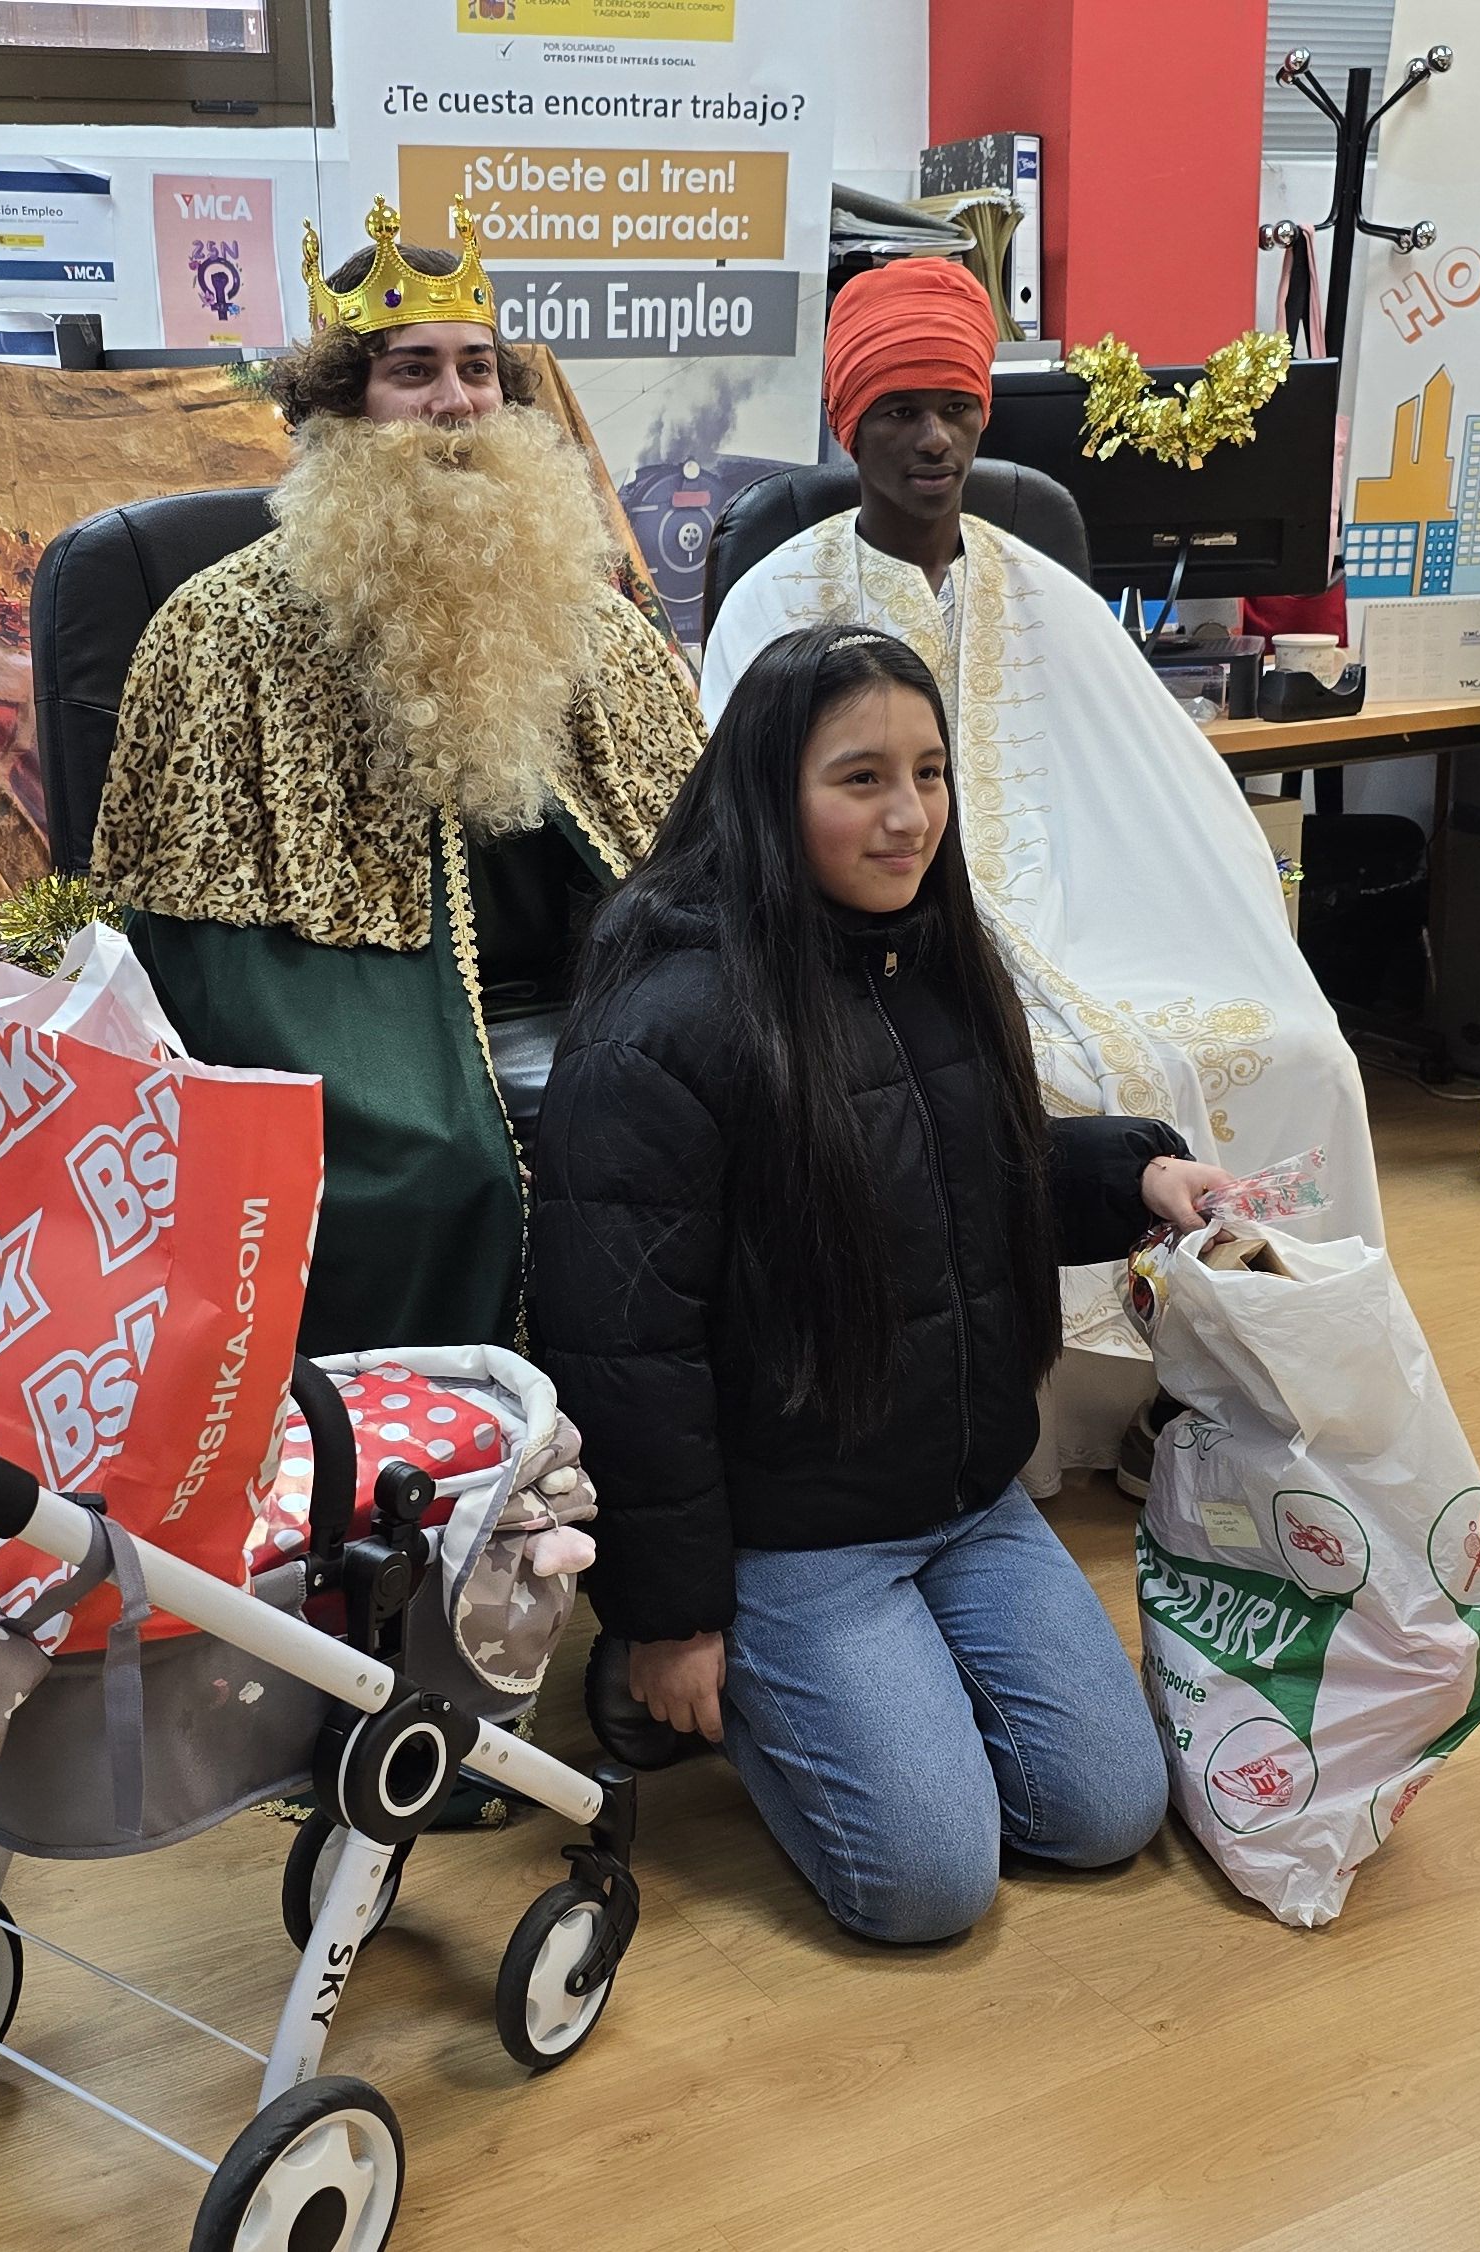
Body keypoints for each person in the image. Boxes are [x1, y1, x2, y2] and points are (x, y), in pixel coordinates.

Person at [530, 624, 1218, 1945]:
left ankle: (884, 1688)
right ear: (768, 794)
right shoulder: (667, 1022)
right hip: (794, 1536)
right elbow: (621, 1350)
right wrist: (671, 1618)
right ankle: (695, 1686)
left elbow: (981, 1177)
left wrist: (1139, 1181)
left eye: (931, 772)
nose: (909, 819)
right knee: (926, 1890)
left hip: (964, 1493)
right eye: (860, 779)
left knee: (1107, 1813)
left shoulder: (938, 956)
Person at [698, 259, 1385, 1487]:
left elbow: (1156, 789)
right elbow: (742, 821)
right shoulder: (773, 595)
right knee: (1036, 1067)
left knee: (1301, 1045)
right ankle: (1043, 1424)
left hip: (1082, 932)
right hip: (861, 946)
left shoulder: (1046, 589)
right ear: (846, 421)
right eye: (897, 408)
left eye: (954, 406)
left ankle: (1222, 1378)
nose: (930, 436)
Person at [90, 199, 705, 1356]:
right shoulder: (220, 631)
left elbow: (694, 853)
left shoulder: (596, 618)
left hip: (599, 1006)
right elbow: (199, 948)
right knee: (433, 1170)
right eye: (411, 372)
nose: (456, 403)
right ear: (338, 406)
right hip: (357, 1027)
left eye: (477, 370)